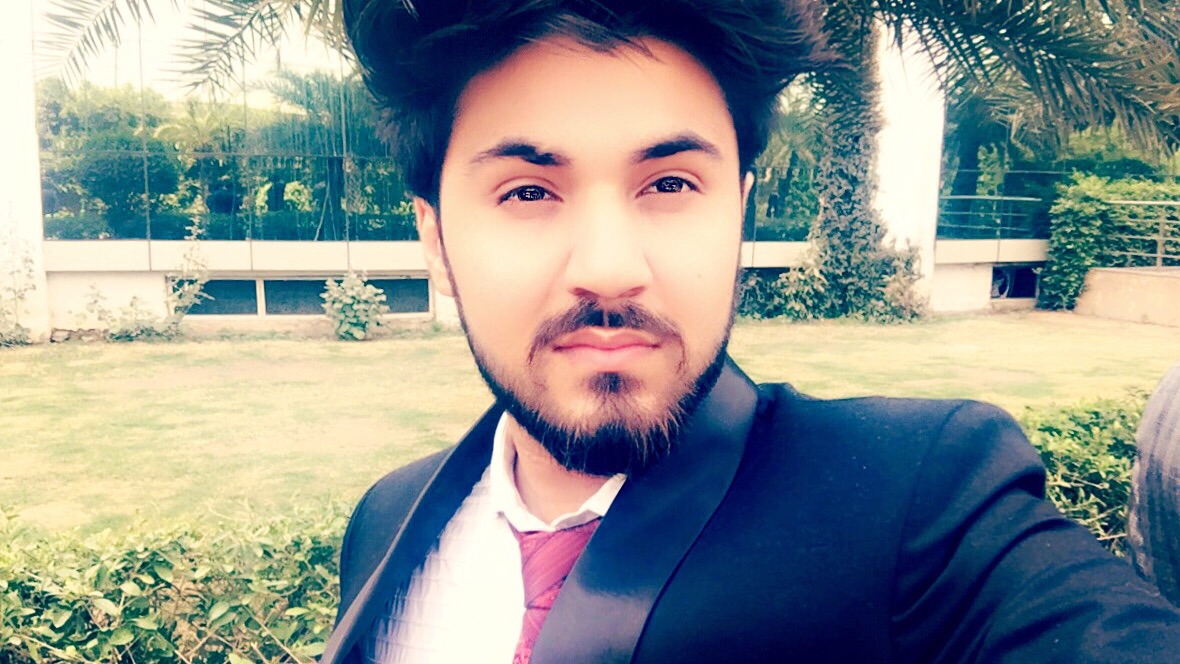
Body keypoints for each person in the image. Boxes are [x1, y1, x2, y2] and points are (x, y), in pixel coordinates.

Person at [323, 1, 1180, 662]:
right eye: (527, 192)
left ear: (739, 209)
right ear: (436, 240)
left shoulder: (920, 502)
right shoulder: (387, 521)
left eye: (669, 185)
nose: (611, 268)